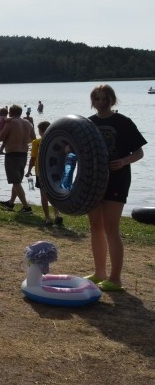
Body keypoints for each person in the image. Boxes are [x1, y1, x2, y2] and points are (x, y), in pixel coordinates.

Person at [86, 84, 146, 292]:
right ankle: (99, 272)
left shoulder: (123, 122)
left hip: (117, 179)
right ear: (93, 101)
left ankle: (115, 278)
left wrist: (123, 161)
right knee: (95, 226)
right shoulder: (87, 124)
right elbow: (77, 148)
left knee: (111, 227)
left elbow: (139, 153)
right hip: (93, 181)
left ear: (112, 100)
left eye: (105, 99)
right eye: (97, 99)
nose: (101, 103)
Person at [0, 104, 36, 213]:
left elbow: (0, 138)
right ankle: (10, 203)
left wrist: (0, 133)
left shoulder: (11, 122)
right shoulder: (28, 123)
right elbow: (33, 139)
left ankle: (26, 207)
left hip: (12, 154)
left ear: (11, 112)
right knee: (17, 180)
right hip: (23, 154)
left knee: (15, 181)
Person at [26, 121, 63, 227]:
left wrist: (28, 171)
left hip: (40, 172)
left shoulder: (36, 142)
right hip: (54, 172)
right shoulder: (55, 141)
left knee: (44, 195)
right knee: (54, 194)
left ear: (41, 131)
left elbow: (33, 159)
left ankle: (47, 218)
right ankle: (57, 214)